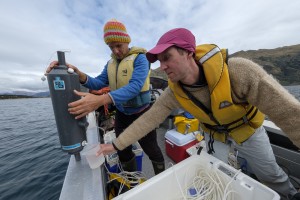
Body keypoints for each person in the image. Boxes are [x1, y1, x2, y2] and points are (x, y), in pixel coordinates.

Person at [97, 28, 300, 199]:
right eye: (159, 60)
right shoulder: (173, 92)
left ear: (188, 52)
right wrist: (116, 144)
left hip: (247, 130)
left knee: (271, 176)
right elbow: (148, 120)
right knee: (213, 176)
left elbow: (288, 114)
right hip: (214, 135)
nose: (162, 66)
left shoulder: (239, 71)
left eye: (167, 57)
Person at [46, 19, 165, 174]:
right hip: (122, 114)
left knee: (152, 149)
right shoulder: (110, 63)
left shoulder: (140, 58)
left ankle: (161, 176)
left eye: (118, 46)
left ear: (126, 42)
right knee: (122, 149)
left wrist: (100, 100)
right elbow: (98, 83)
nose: (115, 51)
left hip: (141, 114)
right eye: (111, 47)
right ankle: (132, 180)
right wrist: (79, 74)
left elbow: (135, 87)